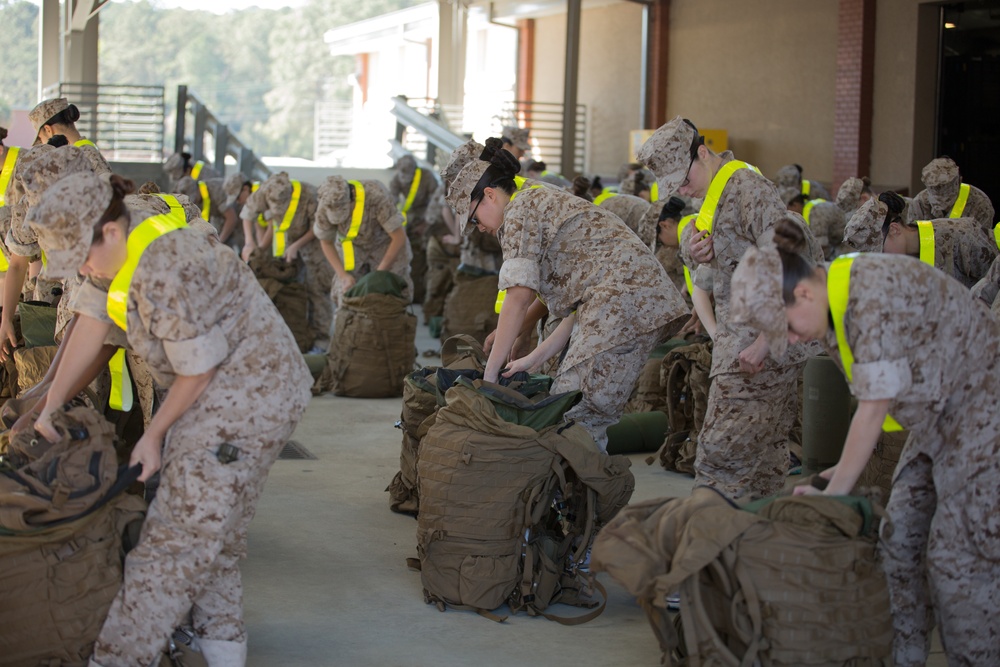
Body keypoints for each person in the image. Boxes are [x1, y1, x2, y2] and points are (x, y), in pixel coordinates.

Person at [27, 171, 312, 667]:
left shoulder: (166, 266)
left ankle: (117, 659)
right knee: (211, 537)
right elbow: (93, 324)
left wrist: (154, 436)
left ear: (109, 232)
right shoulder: (115, 247)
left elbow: (198, 371)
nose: (84, 270)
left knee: (170, 546)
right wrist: (48, 404)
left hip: (249, 394)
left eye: (83, 258)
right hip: (220, 386)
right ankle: (224, 651)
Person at [729, 218, 1000, 667]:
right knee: (900, 539)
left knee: (959, 565)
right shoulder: (835, 307)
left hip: (981, 418)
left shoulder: (868, 294)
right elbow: (887, 402)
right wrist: (835, 475)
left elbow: (873, 408)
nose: (793, 340)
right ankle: (905, 656)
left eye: (789, 329)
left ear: (804, 293)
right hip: (936, 420)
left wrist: (832, 500)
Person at [447, 140, 688, 450]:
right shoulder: (534, 200)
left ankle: (584, 494)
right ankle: (578, 493)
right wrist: (535, 357)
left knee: (575, 412)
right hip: (626, 305)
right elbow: (582, 306)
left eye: (474, 218)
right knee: (570, 407)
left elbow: (519, 296)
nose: (478, 228)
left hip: (626, 306)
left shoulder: (519, 211)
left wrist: (490, 376)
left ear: (489, 196)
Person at [637, 116, 823, 501]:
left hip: (757, 351)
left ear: (702, 154)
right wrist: (695, 249)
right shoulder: (715, 193)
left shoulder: (747, 189)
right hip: (744, 345)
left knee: (719, 457)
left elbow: (793, 266)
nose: (683, 191)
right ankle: (747, 539)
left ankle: (709, 542)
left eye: (684, 180)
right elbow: (711, 250)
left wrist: (762, 341)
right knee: (764, 454)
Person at [240, 171, 333, 352]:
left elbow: (319, 228)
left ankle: (320, 341)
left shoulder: (310, 195)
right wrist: (249, 243)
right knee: (290, 290)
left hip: (313, 244)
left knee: (317, 290)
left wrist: (297, 245)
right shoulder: (265, 191)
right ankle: (293, 334)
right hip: (284, 247)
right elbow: (247, 215)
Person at [846, 192, 996, 288]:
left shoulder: (960, 235)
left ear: (894, 229)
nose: (883, 260)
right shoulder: (902, 265)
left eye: (881, 251)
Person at [313, 174, 412, 301]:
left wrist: (378, 275)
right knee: (345, 293)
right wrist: (343, 276)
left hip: (384, 242)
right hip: (352, 247)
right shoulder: (325, 204)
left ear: (352, 196)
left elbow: (398, 237)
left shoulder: (376, 196)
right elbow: (326, 242)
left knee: (391, 292)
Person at [908, 156, 994, 232]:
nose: (939, 201)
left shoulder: (980, 203)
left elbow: (983, 243)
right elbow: (912, 237)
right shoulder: (919, 203)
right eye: (935, 196)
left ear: (959, 182)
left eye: (945, 196)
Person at [780, 187, 847, 259]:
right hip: (836, 244)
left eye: (787, 209)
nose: (788, 214)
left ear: (795, 205)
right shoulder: (809, 209)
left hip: (845, 247)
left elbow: (822, 249)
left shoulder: (815, 213)